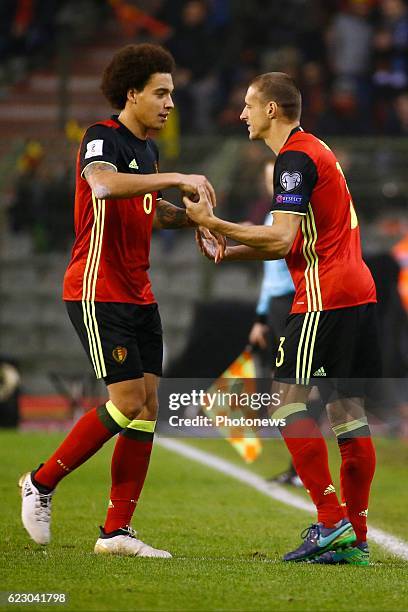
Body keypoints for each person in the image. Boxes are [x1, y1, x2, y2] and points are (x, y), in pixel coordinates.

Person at [19, 43, 222, 558]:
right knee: (128, 402)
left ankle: (116, 532)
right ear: (131, 94)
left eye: (172, 93)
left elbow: (148, 208)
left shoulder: (149, 152)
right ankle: (40, 482)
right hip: (98, 287)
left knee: (149, 408)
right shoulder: (100, 138)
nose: (170, 102)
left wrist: (199, 222)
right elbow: (105, 187)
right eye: (161, 92)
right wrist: (179, 177)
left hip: (139, 290)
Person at [187, 72, 380, 566]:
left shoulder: (293, 159)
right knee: (347, 414)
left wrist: (212, 222)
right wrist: (227, 251)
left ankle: (331, 519)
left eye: (248, 105)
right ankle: (354, 538)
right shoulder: (316, 149)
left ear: (271, 109)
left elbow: (278, 239)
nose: (242, 114)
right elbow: (293, 241)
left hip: (325, 295)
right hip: (359, 291)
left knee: (284, 404)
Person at [247, 160, 300, 487]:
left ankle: (300, 469)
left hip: (296, 304)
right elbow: (269, 279)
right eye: (269, 179)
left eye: (276, 178)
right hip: (278, 308)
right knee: (283, 389)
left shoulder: (289, 219)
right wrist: (261, 318)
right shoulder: (272, 217)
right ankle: (297, 467)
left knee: (295, 389)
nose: (274, 184)